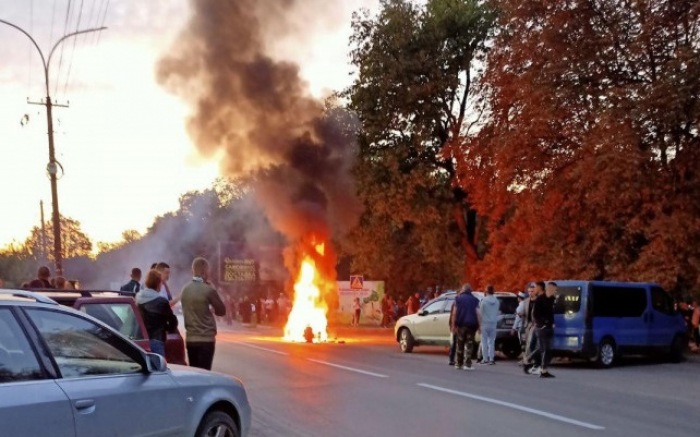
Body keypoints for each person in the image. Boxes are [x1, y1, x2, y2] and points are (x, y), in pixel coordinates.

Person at [181, 257, 226, 370]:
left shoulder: (185, 290)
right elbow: (221, 311)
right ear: (205, 272)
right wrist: (214, 289)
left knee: (195, 372)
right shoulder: (208, 290)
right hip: (206, 339)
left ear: (193, 271)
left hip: (191, 338)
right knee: (205, 372)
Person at [136, 269, 178, 358]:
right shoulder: (161, 302)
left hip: (139, 342)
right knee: (158, 369)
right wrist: (166, 329)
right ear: (159, 284)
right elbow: (172, 322)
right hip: (157, 341)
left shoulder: (137, 299)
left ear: (146, 283)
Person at [526, 282, 557, 378]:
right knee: (544, 348)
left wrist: (552, 323)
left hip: (549, 326)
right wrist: (541, 324)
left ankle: (531, 360)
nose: (555, 291)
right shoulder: (540, 299)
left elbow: (551, 313)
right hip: (541, 327)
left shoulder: (552, 299)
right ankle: (542, 370)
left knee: (548, 348)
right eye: (553, 289)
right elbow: (535, 314)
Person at [451, 283, 481, 370]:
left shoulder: (458, 299)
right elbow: (478, 313)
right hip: (472, 325)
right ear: (470, 290)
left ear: (463, 290)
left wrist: (453, 325)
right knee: (469, 344)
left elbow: (454, 313)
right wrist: (480, 326)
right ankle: (467, 364)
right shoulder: (475, 300)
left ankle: (458, 363)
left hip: (461, 325)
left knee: (459, 344)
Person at [521, 282, 542, 372]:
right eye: (529, 291)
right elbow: (523, 313)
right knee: (528, 345)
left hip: (536, 325)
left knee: (535, 345)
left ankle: (532, 362)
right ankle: (530, 362)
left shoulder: (539, 301)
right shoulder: (526, 301)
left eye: (532, 291)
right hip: (528, 325)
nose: (530, 293)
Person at [479, 285, 500, 365]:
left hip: (484, 323)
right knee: (491, 341)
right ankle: (491, 358)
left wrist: (479, 323)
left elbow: (480, 312)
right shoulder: (497, 301)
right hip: (493, 323)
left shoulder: (483, 301)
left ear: (486, 292)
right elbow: (497, 312)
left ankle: (485, 359)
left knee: (484, 341)